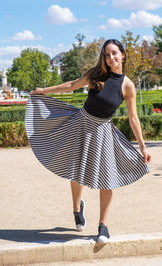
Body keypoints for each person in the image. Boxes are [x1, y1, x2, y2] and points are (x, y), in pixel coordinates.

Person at [26, 39, 151, 243]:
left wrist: (143, 147)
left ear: (123, 54)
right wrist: (45, 91)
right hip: (81, 124)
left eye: (114, 53)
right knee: (76, 171)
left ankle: (103, 225)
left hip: (103, 132)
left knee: (108, 177)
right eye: (107, 54)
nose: (110, 58)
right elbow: (73, 85)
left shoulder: (127, 86)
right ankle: (77, 208)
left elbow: (133, 118)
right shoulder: (97, 73)